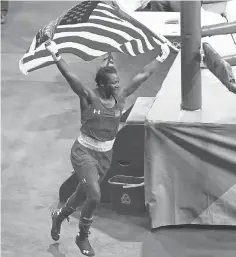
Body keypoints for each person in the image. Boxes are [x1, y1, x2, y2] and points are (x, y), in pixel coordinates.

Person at [45, 40, 170, 256]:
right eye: (112, 82)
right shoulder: (88, 97)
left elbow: (142, 76)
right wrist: (55, 54)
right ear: (102, 84)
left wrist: (161, 57)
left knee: (81, 193)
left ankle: (59, 215)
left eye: (117, 81)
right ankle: (82, 237)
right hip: (83, 153)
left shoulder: (120, 98)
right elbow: (70, 77)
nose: (117, 85)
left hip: (105, 155)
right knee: (94, 196)